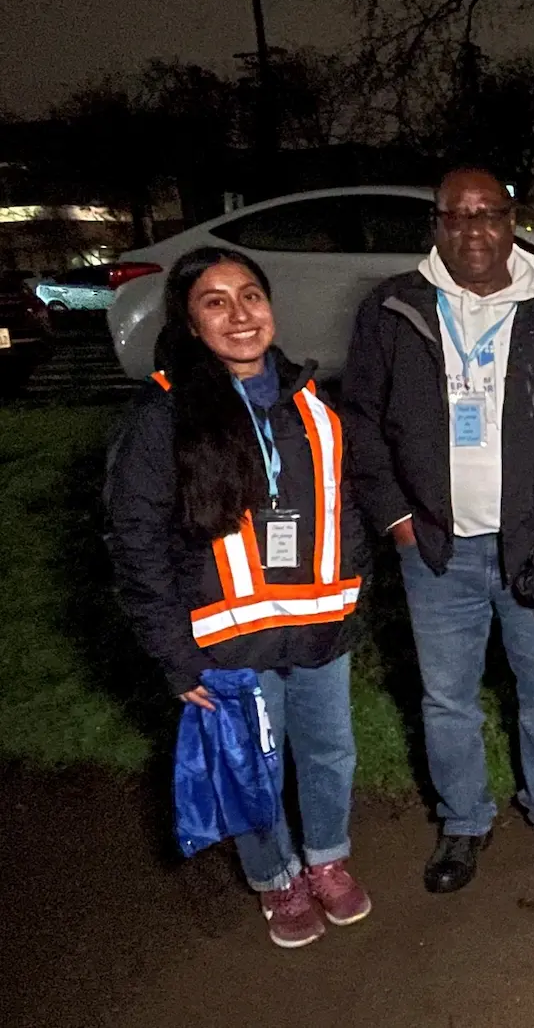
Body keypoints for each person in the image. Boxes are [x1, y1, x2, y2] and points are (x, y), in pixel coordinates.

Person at [343, 168, 534, 893]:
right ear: (435, 224)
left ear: (511, 219)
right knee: (447, 697)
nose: (472, 230)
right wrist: (397, 517)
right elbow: (360, 421)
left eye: (486, 213)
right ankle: (464, 820)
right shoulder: (393, 308)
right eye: (454, 216)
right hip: (435, 547)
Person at [105, 247, 371, 949]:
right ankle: (276, 876)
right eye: (215, 302)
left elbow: (346, 508)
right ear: (190, 324)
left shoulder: (311, 399)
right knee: (252, 762)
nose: (239, 314)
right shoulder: (165, 414)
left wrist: (352, 601)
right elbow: (135, 541)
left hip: (318, 632)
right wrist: (175, 654)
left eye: (250, 295)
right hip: (228, 642)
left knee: (329, 752)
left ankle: (327, 857)